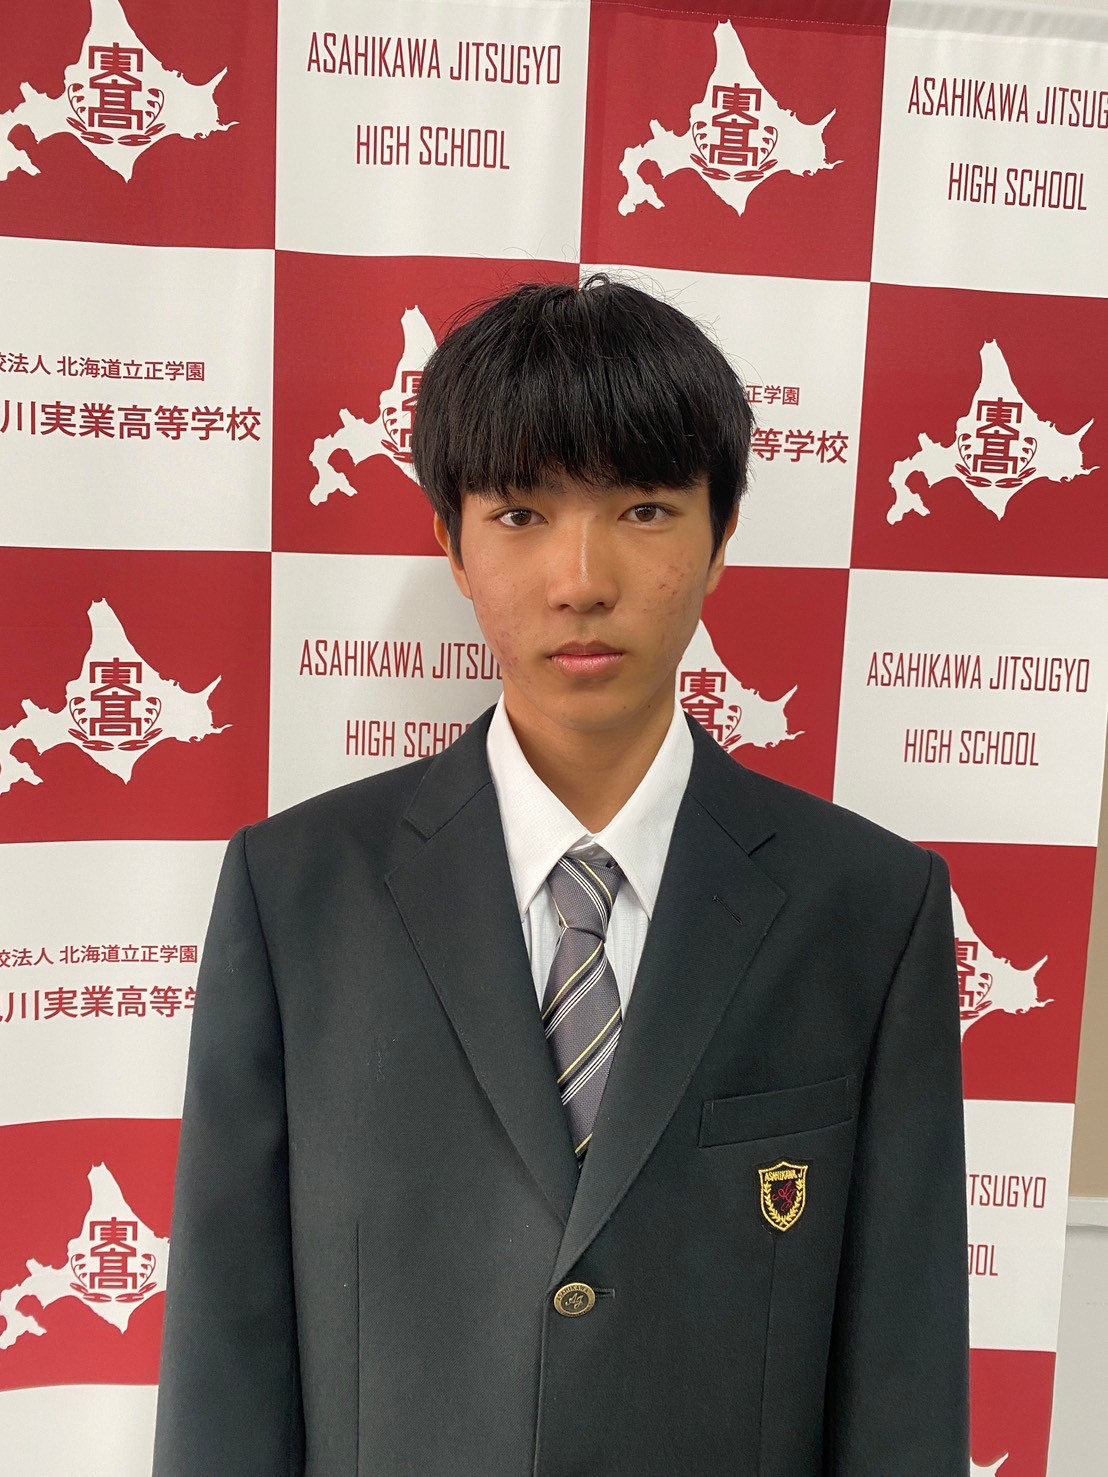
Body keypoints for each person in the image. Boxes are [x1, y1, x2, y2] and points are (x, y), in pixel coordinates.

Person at [152, 276, 970, 1475]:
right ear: (450, 538)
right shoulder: (296, 895)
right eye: (521, 513)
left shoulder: (868, 908)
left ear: (720, 534)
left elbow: (902, 1368)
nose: (580, 578)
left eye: (642, 509)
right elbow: (225, 1355)